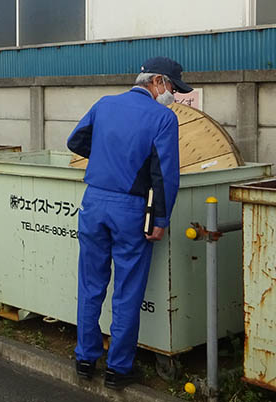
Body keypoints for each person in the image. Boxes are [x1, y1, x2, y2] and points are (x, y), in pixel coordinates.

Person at [67, 57, 192, 390]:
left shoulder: (105, 104)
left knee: (90, 284)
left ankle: (84, 358)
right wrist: (161, 219)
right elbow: (166, 175)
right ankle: (118, 369)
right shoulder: (163, 118)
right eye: (173, 88)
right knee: (127, 291)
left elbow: (75, 142)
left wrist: (109, 157)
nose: (174, 96)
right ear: (158, 81)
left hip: (93, 202)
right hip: (131, 209)